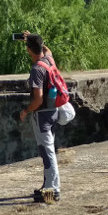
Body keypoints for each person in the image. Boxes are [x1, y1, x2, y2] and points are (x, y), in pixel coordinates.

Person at [19, 32, 63, 203]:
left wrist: (26, 110)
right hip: (53, 112)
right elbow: (48, 50)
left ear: (28, 49)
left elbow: (37, 99)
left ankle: (54, 190)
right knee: (48, 149)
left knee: (47, 152)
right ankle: (48, 186)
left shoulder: (37, 69)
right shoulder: (49, 60)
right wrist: (34, 38)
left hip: (42, 115)